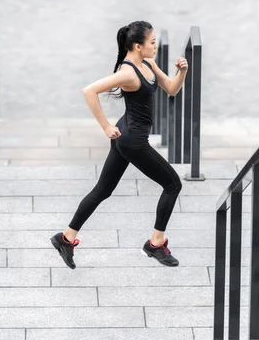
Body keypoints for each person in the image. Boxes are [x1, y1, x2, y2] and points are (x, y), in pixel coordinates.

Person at [50, 21, 188, 269]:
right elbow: (89, 91)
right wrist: (104, 126)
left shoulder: (147, 64)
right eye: (152, 43)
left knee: (102, 190)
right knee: (173, 184)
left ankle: (66, 238)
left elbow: (171, 89)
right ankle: (156, 243)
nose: (155, 47)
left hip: (125, 134)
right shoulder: (127, 73)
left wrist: (182, 72)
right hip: (133, 141)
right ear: (138, 46)